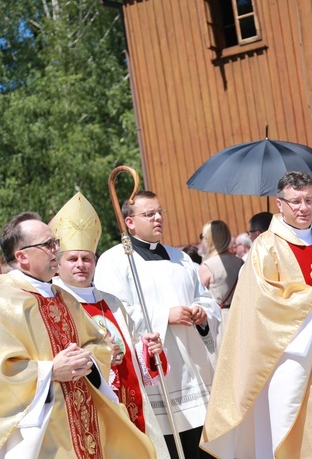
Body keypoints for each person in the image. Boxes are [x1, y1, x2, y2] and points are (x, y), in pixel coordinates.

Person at [0, 212, 153, 458]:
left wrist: (89, 359)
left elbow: (97, 343)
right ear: (22, 256)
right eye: (48, 244)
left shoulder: (64, 298)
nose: (56, 251)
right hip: (42, 434)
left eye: (56, 243)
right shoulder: (1, 306)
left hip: (85, 421)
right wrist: (50, 371)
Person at [201, 171, 312, 458]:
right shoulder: (266, 247)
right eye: (295, 202)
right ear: (279, 204)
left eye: (308, 200)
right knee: (308, 432)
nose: (303, 208)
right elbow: (262, 301)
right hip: (297, 359)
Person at [95, 191, 220, 459]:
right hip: (155, 376)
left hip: (193, 371)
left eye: (160, 212)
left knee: (203, 447)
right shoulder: (114, 261)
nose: (158, 218)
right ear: (129, 222)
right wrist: (165, 316)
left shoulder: (182, 258)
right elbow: (115, 316)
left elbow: (208, 301)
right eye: (149, 214)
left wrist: (201, 312)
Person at [50, 192, 171, 458]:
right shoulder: (54, 306)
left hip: (131, 407)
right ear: (57, 264)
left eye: (87, 259)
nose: (81, 265)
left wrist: (148, 351)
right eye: (73, 259)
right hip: (90, 411)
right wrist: (102, 357)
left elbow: (135, 361)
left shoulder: (112, 302)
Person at [199, 220, 243, 367]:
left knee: (222, 366)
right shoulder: (239, 262)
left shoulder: (207, 266)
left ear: (210, 239)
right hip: (240, 315)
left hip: (219, 320)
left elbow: (197, 297)